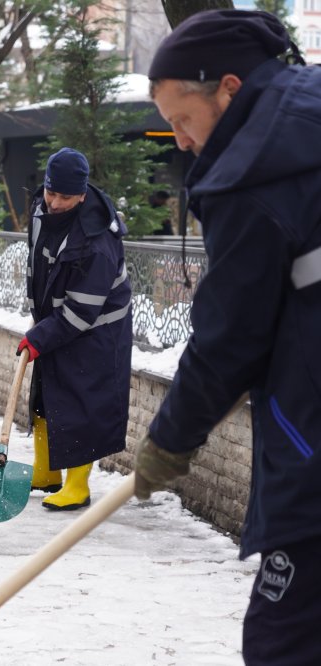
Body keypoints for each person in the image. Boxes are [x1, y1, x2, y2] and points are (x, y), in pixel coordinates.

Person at [136, 10, 320, 664]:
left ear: (230, 89)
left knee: (285, 639)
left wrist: (168, 443)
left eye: (183, 119)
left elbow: (229, 337)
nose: (181, 140)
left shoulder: (253, 169)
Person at [20, 147, 132, 511]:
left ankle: (78, 486)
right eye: (51, 192)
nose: (54, 202)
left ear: (82, 194)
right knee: (45, 393)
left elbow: (83, 310)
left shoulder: (97, 241)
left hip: (97, 330)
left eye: (65, 197)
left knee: (83, 401)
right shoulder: (41, 207)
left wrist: (40, 336)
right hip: (55, 321)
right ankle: (46, 472)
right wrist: (40, 318)